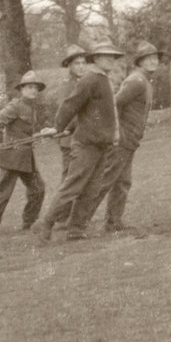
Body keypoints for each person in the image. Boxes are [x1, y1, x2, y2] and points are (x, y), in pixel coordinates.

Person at [32, 40, 124, 242]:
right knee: (73, 185)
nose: (110, 60)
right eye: (105, 56)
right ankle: (46, 223)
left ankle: (76, 229)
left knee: (91, 189)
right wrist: (58, 127)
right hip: (86, 145)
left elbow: (91, 112)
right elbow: (70, 105)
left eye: (113, 57)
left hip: (102, 144)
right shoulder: (90, 79)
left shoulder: (104, 80)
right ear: (97, 59)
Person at [81, 41, 162, 232]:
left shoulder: (145, 81)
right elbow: (114, 104)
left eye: (154, 58)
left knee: (123, 182)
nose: (152, 61)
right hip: (122, 140)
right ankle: (78, 224)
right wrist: (116, 132)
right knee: (105, 181)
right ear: (139, 62)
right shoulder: (136, 81)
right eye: (147, 59)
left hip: (131, 140)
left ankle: (113, 222)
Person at [0, 70, 56, 235]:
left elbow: (26, 131)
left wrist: (42, 132)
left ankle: (29, 222)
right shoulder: (16, 105)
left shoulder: (32, 108)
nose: (33, 91)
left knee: (39, 188)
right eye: (29, 87)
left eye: (35, 88)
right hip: (11, 156)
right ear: (22, 89)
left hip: (26, 157)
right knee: (4, 192)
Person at [56, 44, 88, 179]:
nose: (81, 66)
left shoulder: (84, 82)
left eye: (83, 63)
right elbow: (66, 112)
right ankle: (62, 201)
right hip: (70, 138)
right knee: (69, 178)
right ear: (69, 65)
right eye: (77, 63)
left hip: (82, 137)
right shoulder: (67, 84)